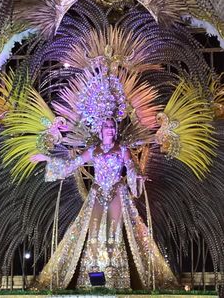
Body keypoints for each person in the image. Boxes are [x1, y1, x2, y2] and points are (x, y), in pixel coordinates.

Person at [31, 118, 177, 289]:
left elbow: (131, 167)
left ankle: (115, 277)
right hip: (98, 192)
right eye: (106, 126)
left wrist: (137, 175)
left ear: (115, 130)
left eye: (112, 126)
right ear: (100, 131)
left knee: (113, 232)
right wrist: (48, 159)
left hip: (116, 191)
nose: (110, 129)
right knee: (93, 233)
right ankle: (94, 277)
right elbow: (73, 164)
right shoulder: (93, 150)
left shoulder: (123, 149)